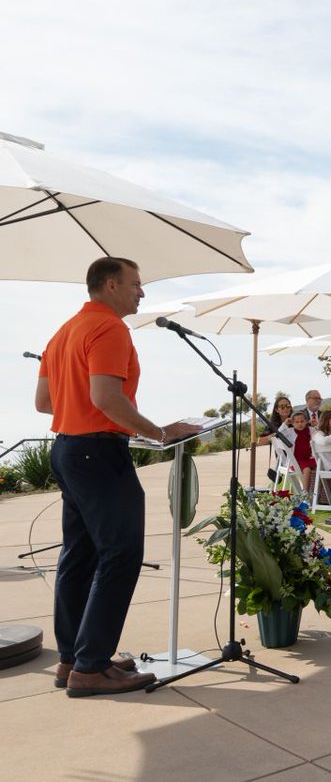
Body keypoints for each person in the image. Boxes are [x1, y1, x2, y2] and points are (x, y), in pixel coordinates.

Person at [35, 257, 199, 696]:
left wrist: (86, 412)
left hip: (67, 448)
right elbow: (107, 397)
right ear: (110, 285)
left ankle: (73, 659)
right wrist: (160, 433)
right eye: (136, 284)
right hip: (98, 452)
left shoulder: (62, 332)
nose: (142, 293)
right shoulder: (108, 328)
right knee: (120, 555)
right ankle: (91, 667)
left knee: (79, 555)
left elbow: (44, 402)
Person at [289, 410, 317, 492]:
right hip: (296, 461)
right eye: (296, 422)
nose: (300, 424)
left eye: (302, 421)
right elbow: (278, 434)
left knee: (321, 465)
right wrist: (285, 424)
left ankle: (317, 493)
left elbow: (320, 433)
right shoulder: (290, 431)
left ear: (306, 421)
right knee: (307, 469)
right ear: (293, 423)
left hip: (309, 458)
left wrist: (316, 425)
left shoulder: (311, 430)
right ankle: (305, 493)